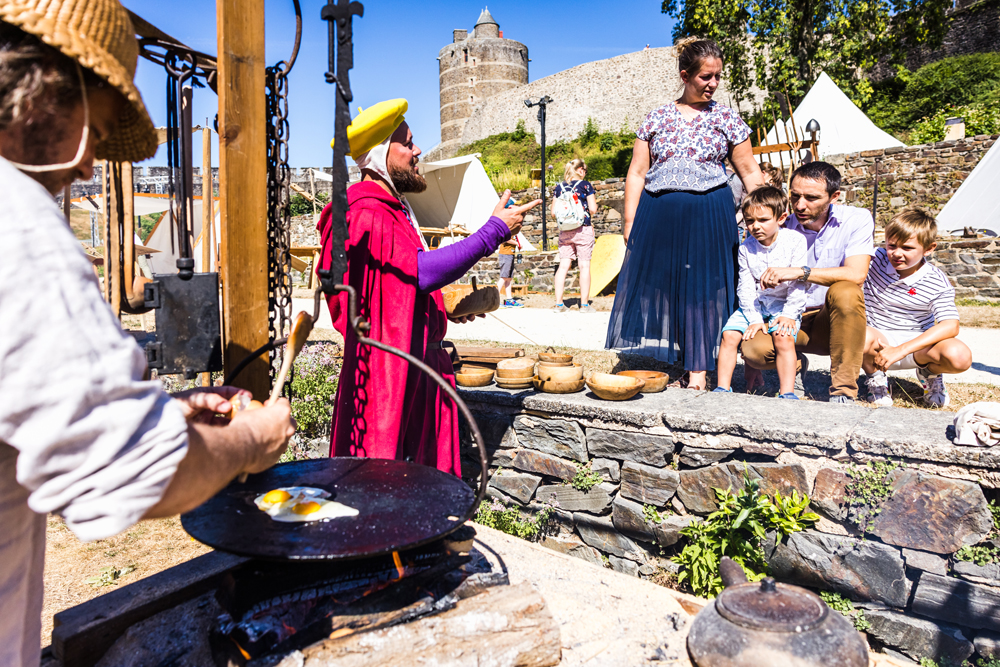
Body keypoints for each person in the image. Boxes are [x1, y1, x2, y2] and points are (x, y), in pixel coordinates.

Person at [0, 4, 295, 665]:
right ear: (50, 83)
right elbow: (138, 475)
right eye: (95, 130)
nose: (85, 169)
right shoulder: (18, 225)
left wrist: (153, 412)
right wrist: (251, 441)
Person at [317, 99, 539, 476]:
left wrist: (441, 308)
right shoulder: (367, 212)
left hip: (417, 367)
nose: (417, 150)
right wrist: (494, 231)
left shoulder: (392, 209)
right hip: (389, 378)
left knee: (423, 492)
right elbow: (417, 273)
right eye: (408, 143)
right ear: (380, 154)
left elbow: (394, 288)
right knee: (382, 485)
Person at [606, 38, 765, 389]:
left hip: (710, 212)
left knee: (706, 288)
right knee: (667, 287)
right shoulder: (656, 117)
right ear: (685, 75)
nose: (713, 84)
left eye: (717, 77)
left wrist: (767, 214)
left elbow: (750, 171)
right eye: (706, 77)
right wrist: (629, 221)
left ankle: (698, 370)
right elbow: (636, 172)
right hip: (658, 212)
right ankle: (684, 358)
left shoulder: (727, 118)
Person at [742, 161, 874, 403]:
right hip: (786, 318)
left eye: (811, 198)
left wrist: (798, 272)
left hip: (830, 320)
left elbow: (856, 274)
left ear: (834, 196)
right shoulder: (779, 224)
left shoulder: (856, 219)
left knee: (846, 290)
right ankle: (795, 363)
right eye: (794, 196)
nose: (800, 205)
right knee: (754, 351)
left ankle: (843, 390)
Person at [861, 208, 971, 407]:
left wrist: (902, 350)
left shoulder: (936, 281)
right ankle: (876, 379)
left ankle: (929, 372)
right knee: (857, 334)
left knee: (960, 356)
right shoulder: (875, 259)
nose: (897, 254)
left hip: (917, 347)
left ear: (929, 249)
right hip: (876, 340)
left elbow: (951, 325)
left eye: (907, 248)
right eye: (891, 245)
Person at [715, 186, 807, 398]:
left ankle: (787, 392)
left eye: (763, 220)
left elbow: (799, 283)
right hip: (756, 304)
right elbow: (745, 286)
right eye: (749, 221)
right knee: (729, 335)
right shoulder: (746, 248)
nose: (755, 226)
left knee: (783, 337)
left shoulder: (795, 242)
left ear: (781, 218)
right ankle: (722, 388)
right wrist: (754, 319)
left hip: (784, 305)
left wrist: (789, 315)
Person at [551, 158, 598, 313]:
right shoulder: (586, 186)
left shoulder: (559, 188)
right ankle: (584, 305)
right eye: (584, 169)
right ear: (579, 170)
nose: (585, 172)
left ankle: (559, 305)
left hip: (565, 231)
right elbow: (593, 209)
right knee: (584, 266)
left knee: (563, 266)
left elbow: (553, 213)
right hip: (583, 229)